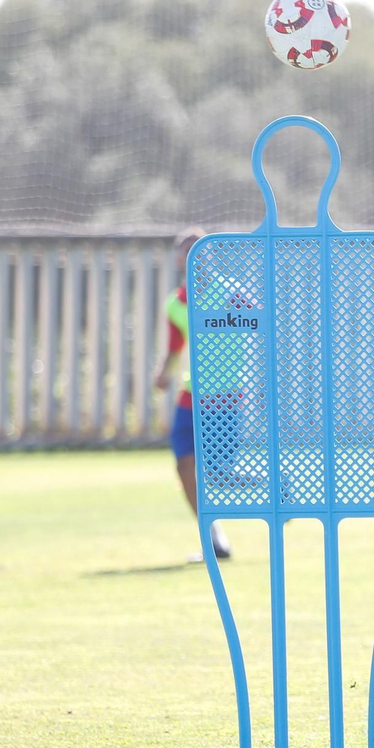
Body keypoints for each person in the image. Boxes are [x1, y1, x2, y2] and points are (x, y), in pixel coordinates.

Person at [155, 228, 231, 563]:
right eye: (186, 251)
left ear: (210, 255)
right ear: (178, 259)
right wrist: (164, 373)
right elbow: (175, 345)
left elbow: (260, 322)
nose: (193, 257)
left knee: (218, 472)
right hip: (191, 394)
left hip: (228, 396)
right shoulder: (175, 303)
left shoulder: (230, 293)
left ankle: (277, 489)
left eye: (199, 250)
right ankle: (213, 539)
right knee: (185, 466)